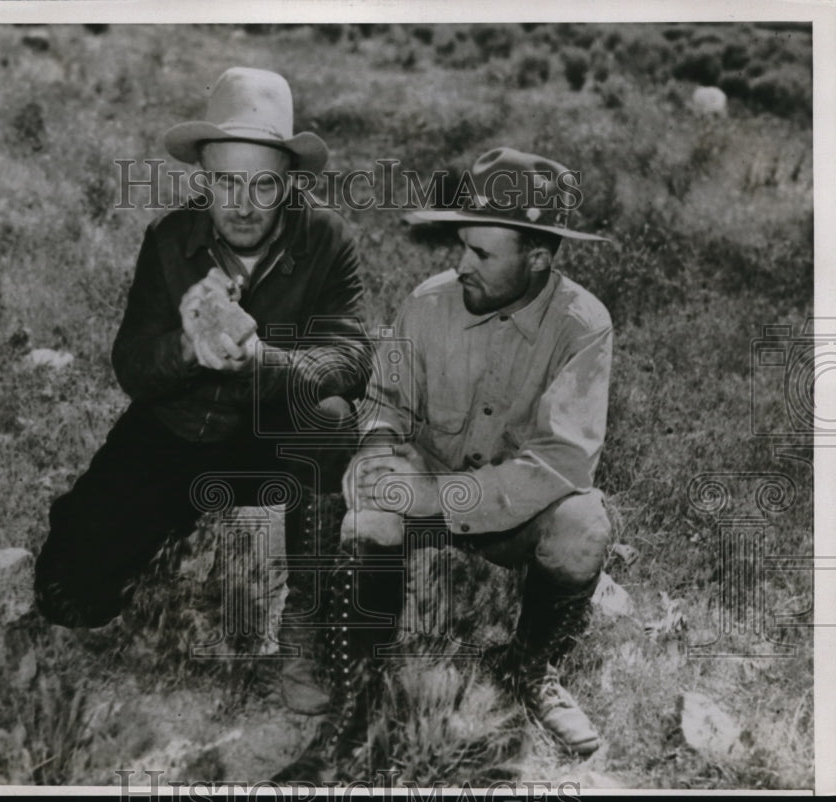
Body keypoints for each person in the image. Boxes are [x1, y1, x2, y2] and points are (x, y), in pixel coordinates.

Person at [34, 67, 371, 714]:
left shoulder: (327, 240)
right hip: (174, 429)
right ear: (203, 177)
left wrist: (261, 361)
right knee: (68, 598)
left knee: (331, 418)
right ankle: (161, 541)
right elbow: (132, 365)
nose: (243, 204)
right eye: (225, 182)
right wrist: (189, 347)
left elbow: (352, 357)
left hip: (268, 435)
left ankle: (304, 626)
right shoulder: (169, 239)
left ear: (289, 181)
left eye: (263, 184)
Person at [274, 146, 613, 780]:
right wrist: (379, 450)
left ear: (538, 259)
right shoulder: (428, 304)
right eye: (462, 247)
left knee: (584, 524)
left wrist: (441, 496)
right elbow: (385, 402)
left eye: (482, 254)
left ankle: (529, 668)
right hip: (425, 488)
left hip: (514, 513)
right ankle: (355, 706)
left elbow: (560, 462)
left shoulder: (583, 326)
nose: (461, 266)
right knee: (370, 508)